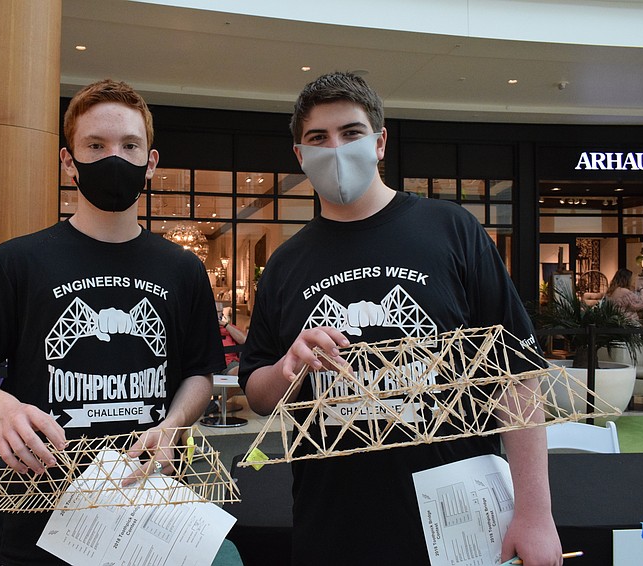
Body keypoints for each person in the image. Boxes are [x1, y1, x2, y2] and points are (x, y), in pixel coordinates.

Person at [238, 71, 562, 565]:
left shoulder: (451, 230)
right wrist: (288, 368)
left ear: (380, 141)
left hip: (456, 522)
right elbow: (257, 393)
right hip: (332, 527)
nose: (337, 149)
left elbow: (517, 376)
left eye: (351, 133)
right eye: (318, 138)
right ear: (300, 156)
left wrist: (536, 513)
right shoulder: (286, 263)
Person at [0, 78, 224, 566]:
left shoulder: (183, 270)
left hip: (150, 508)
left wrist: (176, 420)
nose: (113, 157)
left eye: (129, 145)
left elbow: (199, 372)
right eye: (95, 145)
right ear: (68, 161)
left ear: (150, 163)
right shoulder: (19, 261)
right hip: (41, 512)